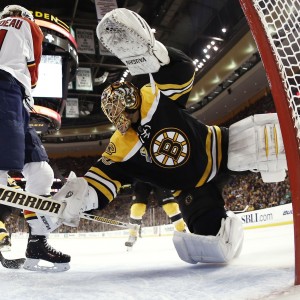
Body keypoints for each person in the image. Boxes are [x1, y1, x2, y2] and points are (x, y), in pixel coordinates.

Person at [53, 8, 286, 264]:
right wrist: (82, 196)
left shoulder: (153, 97)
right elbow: (102, 183)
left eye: (125, 114)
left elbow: (183, 68)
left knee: (270, 140)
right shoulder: (120, 147)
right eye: (117, 118)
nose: (123, 123)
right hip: (192, 189)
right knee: (213, 248)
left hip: (219, 148)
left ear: (134, 102)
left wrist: (156, 56)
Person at [0, 5, 70, 271]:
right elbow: (34, 73)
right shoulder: (28, 26)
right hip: (7, 90)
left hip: (17, 100)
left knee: (41, 171)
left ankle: (37, 243)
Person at [125, 180, 186, 248]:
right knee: (137, 208)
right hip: (141, 176)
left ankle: (182, 232)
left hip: (159, 174)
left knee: (171, 206)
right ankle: (132, 235)